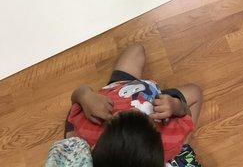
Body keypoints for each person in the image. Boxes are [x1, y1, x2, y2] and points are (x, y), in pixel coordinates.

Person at [63, 44, 203, 166]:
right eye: (145, 117)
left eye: (118, 117)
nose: (135, 108)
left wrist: (86, 96)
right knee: (195, 92)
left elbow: (72, 115)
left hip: (119, 88)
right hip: (162, 103)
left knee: (136, 49)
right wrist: (176, 106)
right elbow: (187, 112)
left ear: (92, 150)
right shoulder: (169, 143)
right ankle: (184, 143)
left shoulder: (84, 135)